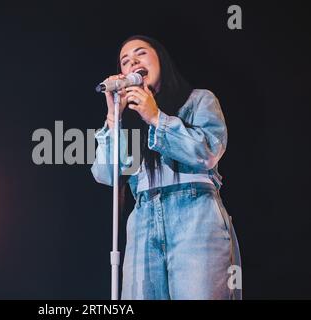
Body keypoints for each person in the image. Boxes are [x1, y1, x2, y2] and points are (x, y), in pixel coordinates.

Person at [91, 35, 242, 300]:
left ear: (161, 60)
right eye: (125, 61)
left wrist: (156, 118)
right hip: (143, 221)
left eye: (141, 54)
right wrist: (114, 117)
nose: (132, 62)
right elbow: (107, 175)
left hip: (195, 216)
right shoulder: (128, 121)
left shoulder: (199, 101)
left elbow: (206, 152)